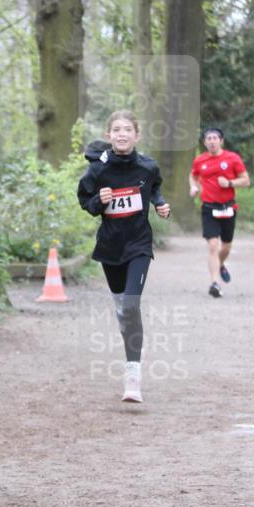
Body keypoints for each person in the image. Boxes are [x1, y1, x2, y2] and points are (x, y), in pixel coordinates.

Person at [77, 111, 170, 404]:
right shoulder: (97, 171)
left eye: (127, 129)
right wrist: (99, 201)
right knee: (122, 306)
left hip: (139, 245)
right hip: (110, 247)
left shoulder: (148, 166)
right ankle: (127, 322)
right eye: (116, 129)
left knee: (131, 304)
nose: (121, 134)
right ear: (108, 136)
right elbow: (85, 202)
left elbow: (154, 187)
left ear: (136, 135)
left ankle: (133, 376)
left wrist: (160, 204)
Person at [189, 128, 250, 297]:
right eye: (208, 138)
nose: (212, 141)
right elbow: (193, 176)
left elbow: (246, 180)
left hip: (228, 207)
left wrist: (230, 183)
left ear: (221, 141)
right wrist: (193, 187)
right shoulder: (200, 160)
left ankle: (220, 264)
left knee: (226, 246)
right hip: (209, 207)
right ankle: (214, 283)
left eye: (215, 138)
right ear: (204, 142)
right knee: (212, 246)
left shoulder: (232, 158)